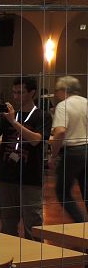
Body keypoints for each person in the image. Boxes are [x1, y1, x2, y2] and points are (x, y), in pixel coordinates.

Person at [0, 76, 50, 268]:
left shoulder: (41, 115)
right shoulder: (8, 116)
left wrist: (13, 122)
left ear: (32, 93)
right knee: (8, 223)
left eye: (20, 92)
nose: (16, 96)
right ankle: (10, 264)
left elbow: (36, 140)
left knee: (32, 224)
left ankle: (37, 267)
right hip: (7, 178)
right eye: (14, 92)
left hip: (30, 179)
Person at [48, 76, 88, 223]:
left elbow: (60, 132)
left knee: (62, 192)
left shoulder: (63, 105)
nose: (56, 93)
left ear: (64, 90)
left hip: (73, 151)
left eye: (57, 90)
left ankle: (80, 223)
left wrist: (53, 155)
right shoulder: (86, 102)